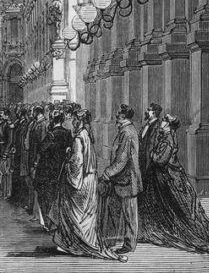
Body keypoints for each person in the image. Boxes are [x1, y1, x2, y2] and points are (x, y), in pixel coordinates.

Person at [139, 115, 209, 254]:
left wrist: (152, 154)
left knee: (180, 211)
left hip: (169, 179)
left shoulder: (168, 139)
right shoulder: (166, 136)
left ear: (168, 125)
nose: (161, 122)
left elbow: (160, 160)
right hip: (163, 178)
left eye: (164, 121)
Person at [49, 110, 122, 261]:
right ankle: (82, 242)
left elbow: (77, 163)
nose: (72, 122)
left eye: (74, 119)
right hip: (89, 180)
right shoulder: (86, 135)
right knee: (86, 214)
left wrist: (68, 159)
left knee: (73, 211)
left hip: (80, 182)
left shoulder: (78, 138)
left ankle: (75, 244)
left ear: (78, 121)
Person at [99, 104, 142, 256]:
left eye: (118, 114)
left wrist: (106, 174)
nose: (116, 116)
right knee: (116, 210)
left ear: (124, 117)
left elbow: (122, 160)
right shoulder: (125, 130)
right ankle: (113, 241)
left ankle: (129, 245)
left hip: (127, 180)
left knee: (129, 214)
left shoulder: (127, 132)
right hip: (121, 179)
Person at [34, 111, 72, 228]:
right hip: (62, 170)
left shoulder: (51, 135)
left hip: (48, 171)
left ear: (53, 121)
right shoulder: (67, 133)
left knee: (46, 195)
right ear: (62, 121)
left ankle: (49, 223)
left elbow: (42, 150)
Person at [138, 103, 162, 182]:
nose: (146, 111)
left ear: (154, 113)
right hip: (142, 157)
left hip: (149, 160)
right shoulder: (146, 125)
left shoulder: (157, 127)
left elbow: (154, 145)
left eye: (149, 110)